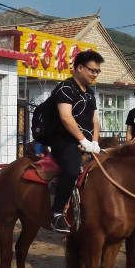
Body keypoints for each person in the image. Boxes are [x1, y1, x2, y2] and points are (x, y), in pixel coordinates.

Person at [45, 50, 104, 233]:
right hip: (63, 141)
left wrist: (94, 142)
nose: (95, 74)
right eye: (92, 70)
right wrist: (82, 140)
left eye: (97, 71)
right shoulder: (65, 88)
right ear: (79, 68)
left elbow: (95, 121)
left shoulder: (90, 94)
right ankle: (57, 214)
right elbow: (65, 117)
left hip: (85, 141)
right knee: (71, 170)